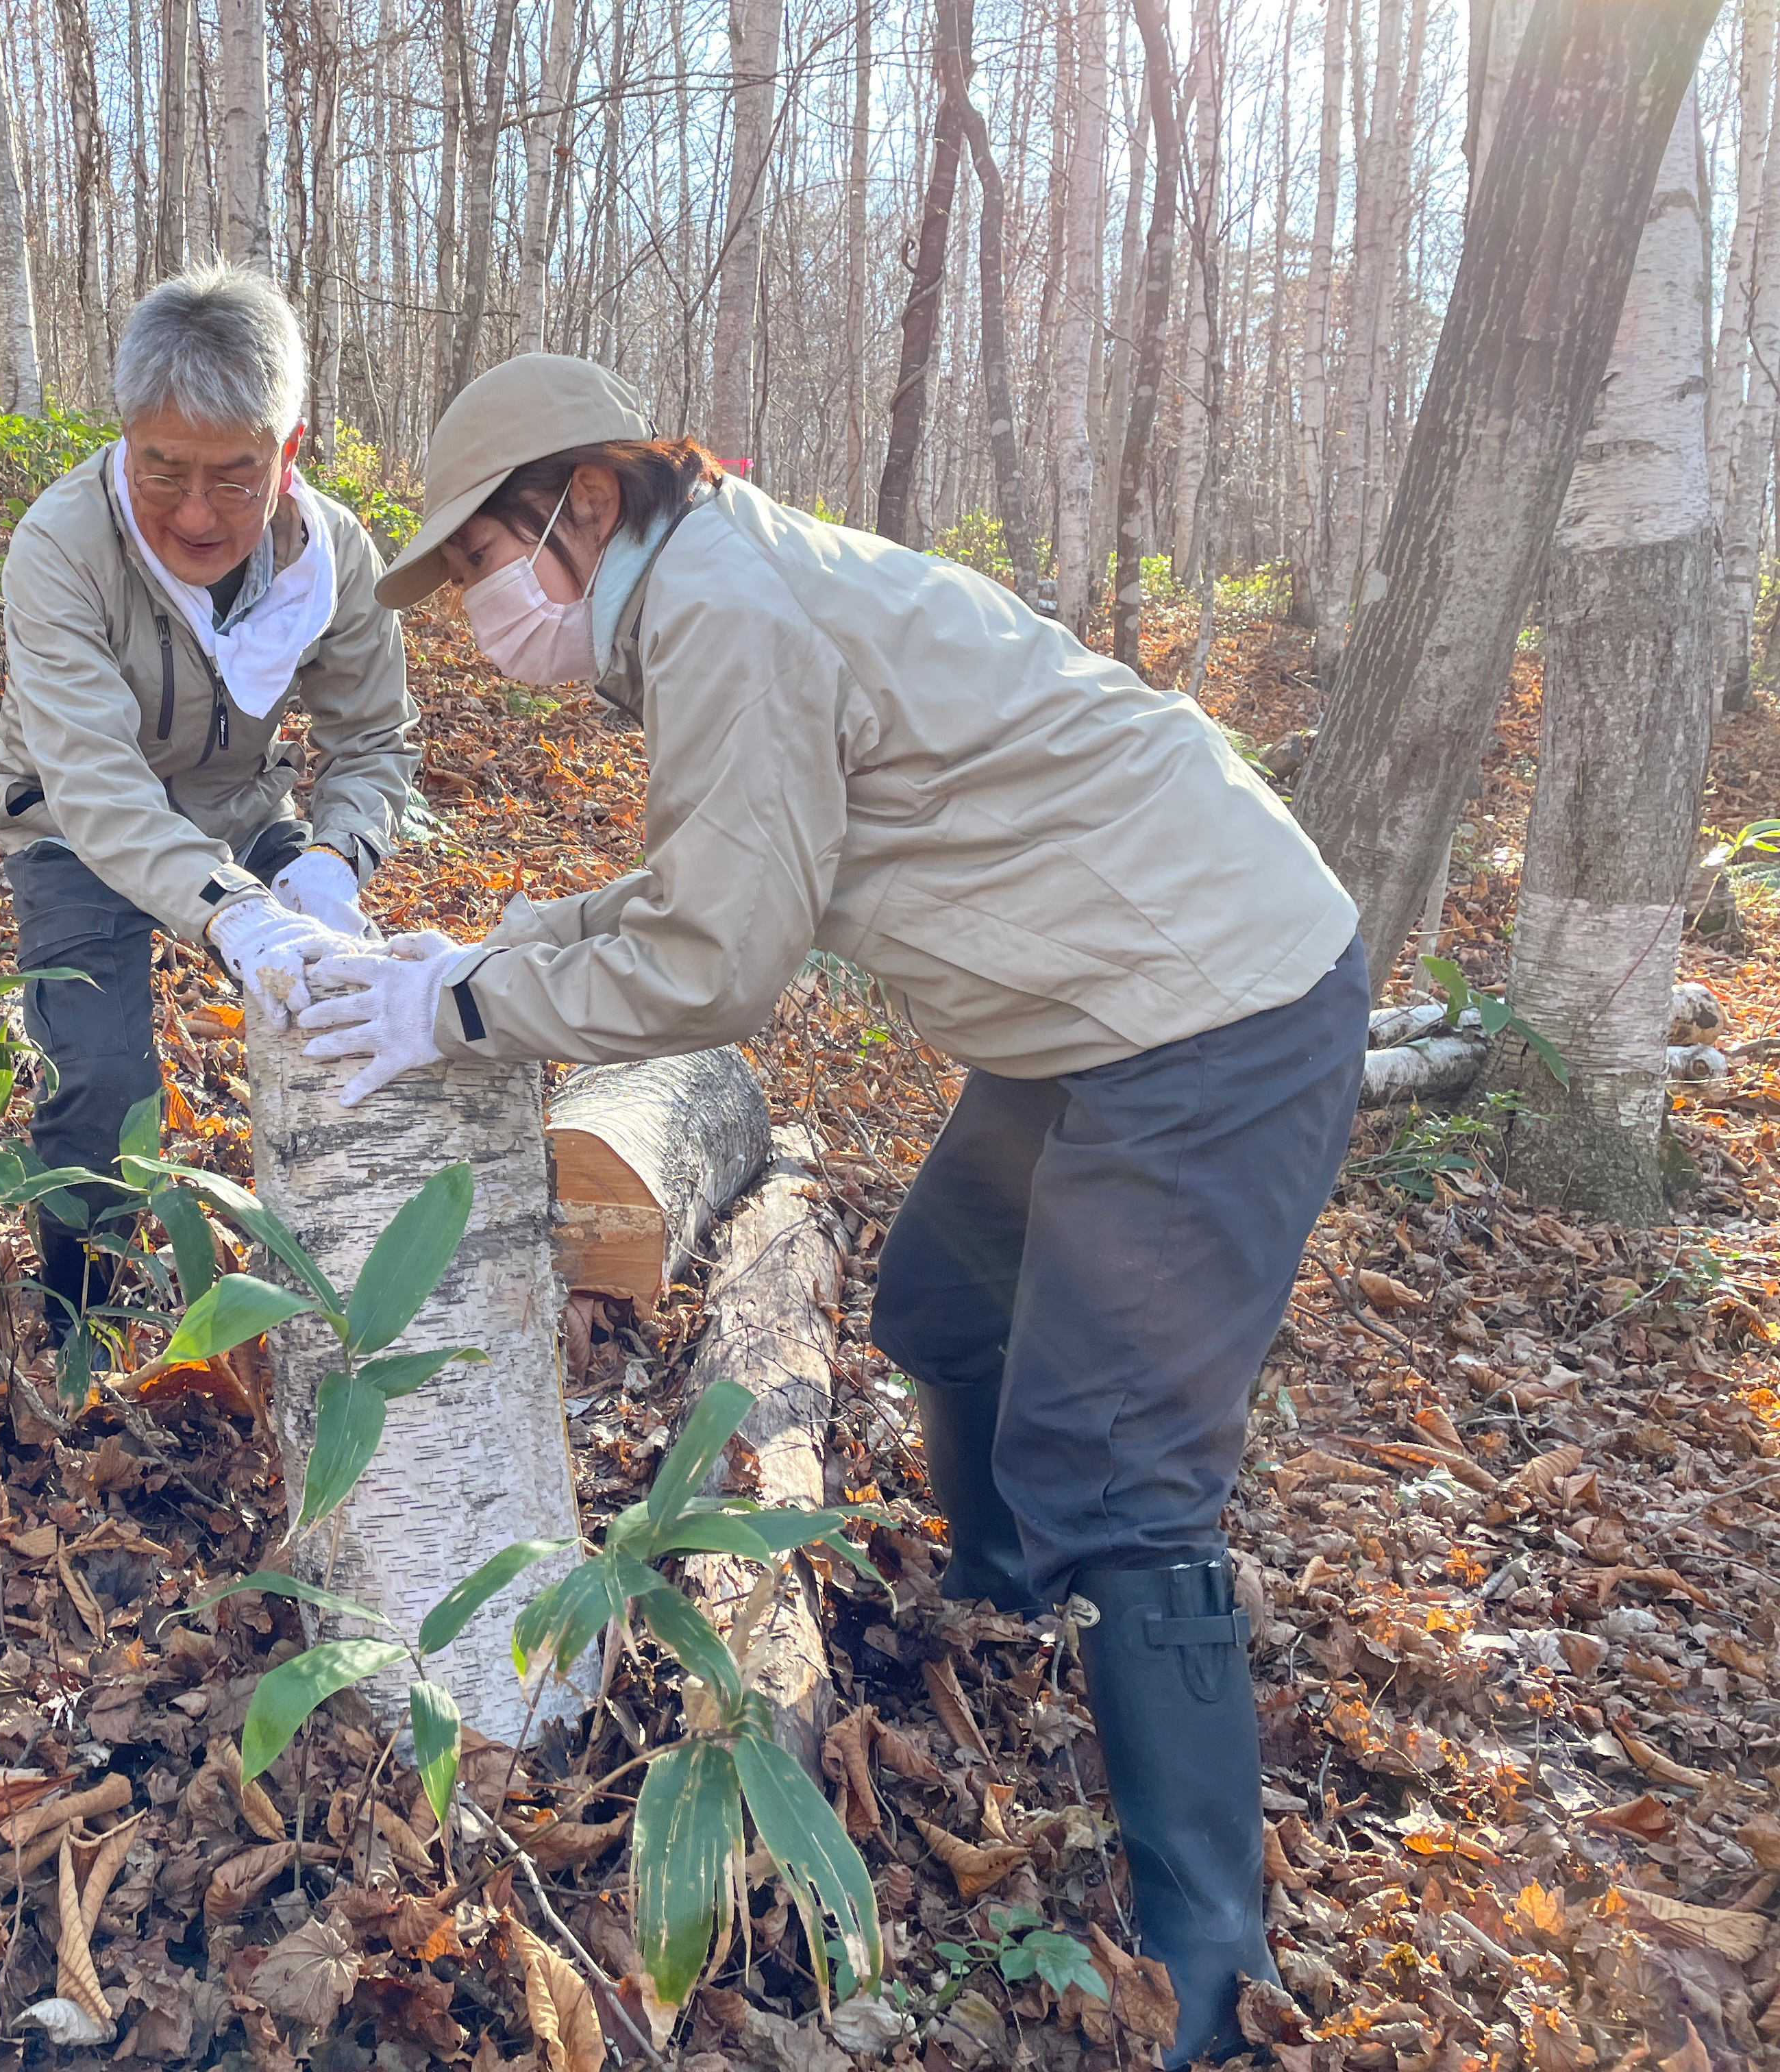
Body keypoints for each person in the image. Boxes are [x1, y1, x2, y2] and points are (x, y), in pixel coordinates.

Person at [300, 354, 1365, 2067]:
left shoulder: (722, 606)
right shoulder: (716, 582)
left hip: (1205, 1015)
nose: (482, 604)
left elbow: (724, 959)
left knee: (1117, 1466)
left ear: (584, 504)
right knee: (944, 1308)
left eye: (488, 553)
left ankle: (1206, 1978)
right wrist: (490, 954)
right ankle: (1014, 1618)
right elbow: (717, 864)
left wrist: (469, 1011)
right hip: (1102, 1008)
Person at [0, 266, 417, 1348]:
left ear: (291, 451)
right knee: (101, 1080)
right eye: (160, 468)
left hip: (241, 809)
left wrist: (330, 863)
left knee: (346, 1000)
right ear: (124, 435)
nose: (192, 514)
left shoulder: (334, 558)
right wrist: (231, 912)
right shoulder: (61, 547)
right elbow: (94, 782)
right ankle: (84, 1324)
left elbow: (373, 741)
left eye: (234, 480)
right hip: (77, 831)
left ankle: (341, 1307)